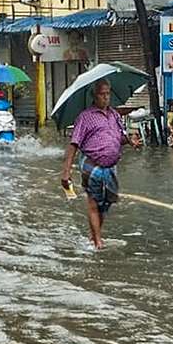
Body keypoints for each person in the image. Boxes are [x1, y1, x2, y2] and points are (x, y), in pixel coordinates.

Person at [60, 79, 141, 250]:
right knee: (93, 202)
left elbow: (120, 137)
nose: (106, 97)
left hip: (111, 166)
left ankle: (94, 234)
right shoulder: (85, 117)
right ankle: (98, 241)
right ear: (94, 96)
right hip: (91, 163)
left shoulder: (114, 115)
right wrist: (66, 172)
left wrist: (130, 141)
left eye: (108, 93)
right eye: (102, 94)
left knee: (106, 203)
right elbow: (74, 144)